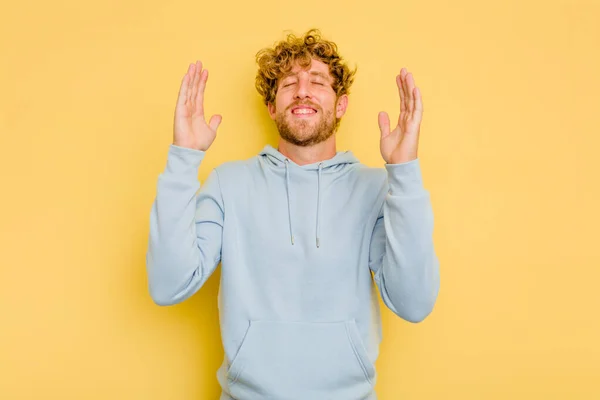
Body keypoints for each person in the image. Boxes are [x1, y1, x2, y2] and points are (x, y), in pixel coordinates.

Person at [146, 29, 440, 400]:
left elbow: (414, 303)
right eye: (289, 83)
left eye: (317, 81)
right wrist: (183, 158)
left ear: (341, 104)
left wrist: (406, 173)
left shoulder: (377, 189)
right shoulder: (228, 184)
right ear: (272, 107)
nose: (303, 90)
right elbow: (167, 284)